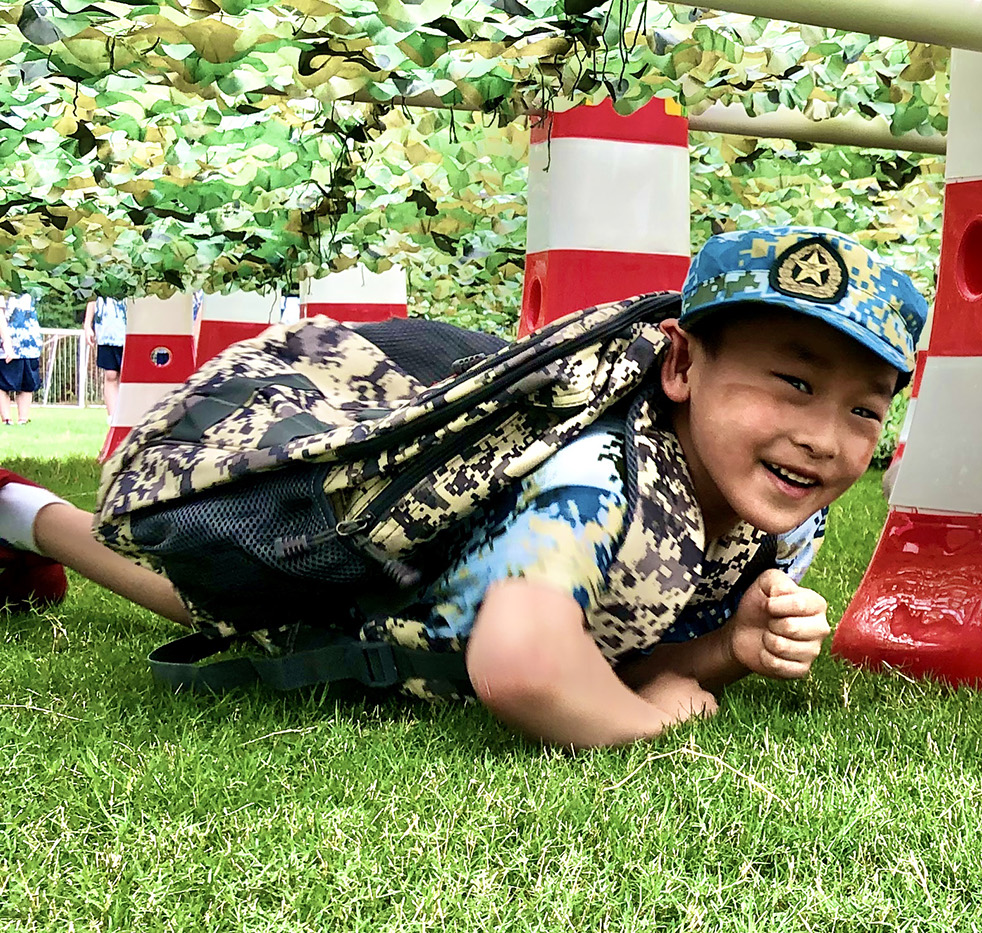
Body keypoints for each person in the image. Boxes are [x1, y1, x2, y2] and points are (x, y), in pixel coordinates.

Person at [0, 226, 928, 747]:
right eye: (794, 383)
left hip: (420, 594)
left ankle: (17, 513)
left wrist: (729, 645)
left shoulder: (769, 509)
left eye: (862, 409)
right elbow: (524, 667)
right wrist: (642, 722)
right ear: (679, 367)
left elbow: (611, 644)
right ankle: (17, 510)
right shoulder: (597, 471)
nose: (823, 435)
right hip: (362, 584)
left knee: (180, 588)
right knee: (189, 586)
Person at [0, 291, 43, 426]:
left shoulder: (34, 285)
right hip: (7, 345)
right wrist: (6, 340)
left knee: (27, 384)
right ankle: (7, 419)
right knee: (2, 384)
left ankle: (23, 420)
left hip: (30, 345)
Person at [82, 293, 126, 415]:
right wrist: (87, 325)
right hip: (107, 331)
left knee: (128, 376)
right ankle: (113, 418)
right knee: (110, 374)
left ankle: (128, 418)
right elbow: (92, 296)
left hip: (131, 332)